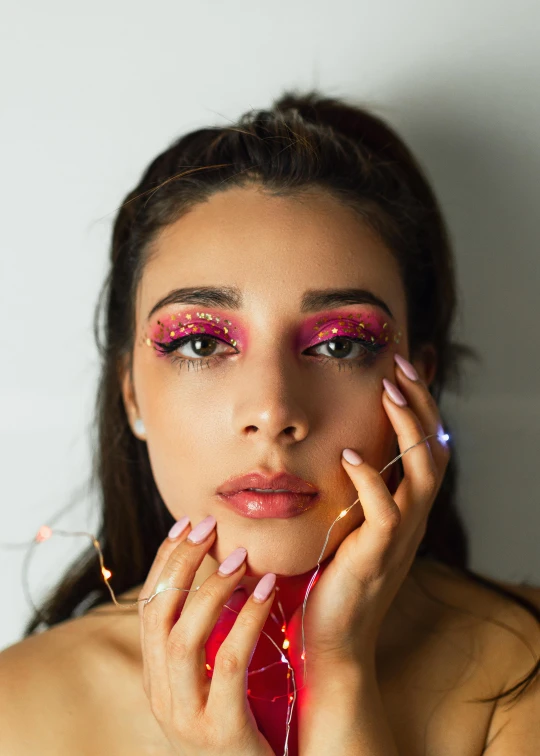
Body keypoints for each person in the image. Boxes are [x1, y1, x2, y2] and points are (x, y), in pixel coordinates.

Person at [0, 89, 538, 755]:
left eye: (339, 345)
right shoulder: (16, 709)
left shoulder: (523, 670)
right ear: (131, 396)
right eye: (201, 344)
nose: (273, 411)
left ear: (419, 380)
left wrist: (338, 670)